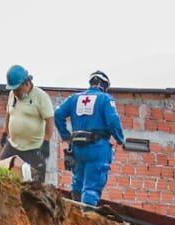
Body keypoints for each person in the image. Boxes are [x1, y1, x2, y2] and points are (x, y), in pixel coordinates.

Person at [53, 70, 124, 206]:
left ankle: (75, 213)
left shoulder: (74, 98)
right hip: (97, 148)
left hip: (77, 147)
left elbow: (58, 114)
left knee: (77, 182)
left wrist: (66, 136)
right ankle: (86, 217)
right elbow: (113, 121)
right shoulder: (105, 99)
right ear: (104, 85)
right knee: (92, 186)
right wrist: (120, 138)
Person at [0, 65, 53, 184]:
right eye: (13, 90)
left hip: (32, 149)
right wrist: (4, 133)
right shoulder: (12, 95)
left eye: (17, 89)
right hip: (12, 146)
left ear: (27, 83)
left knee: (34, 184)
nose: (15, 93)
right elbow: (9, 114)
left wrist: (46, 141)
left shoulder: (41, 97)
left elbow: (50, 120)